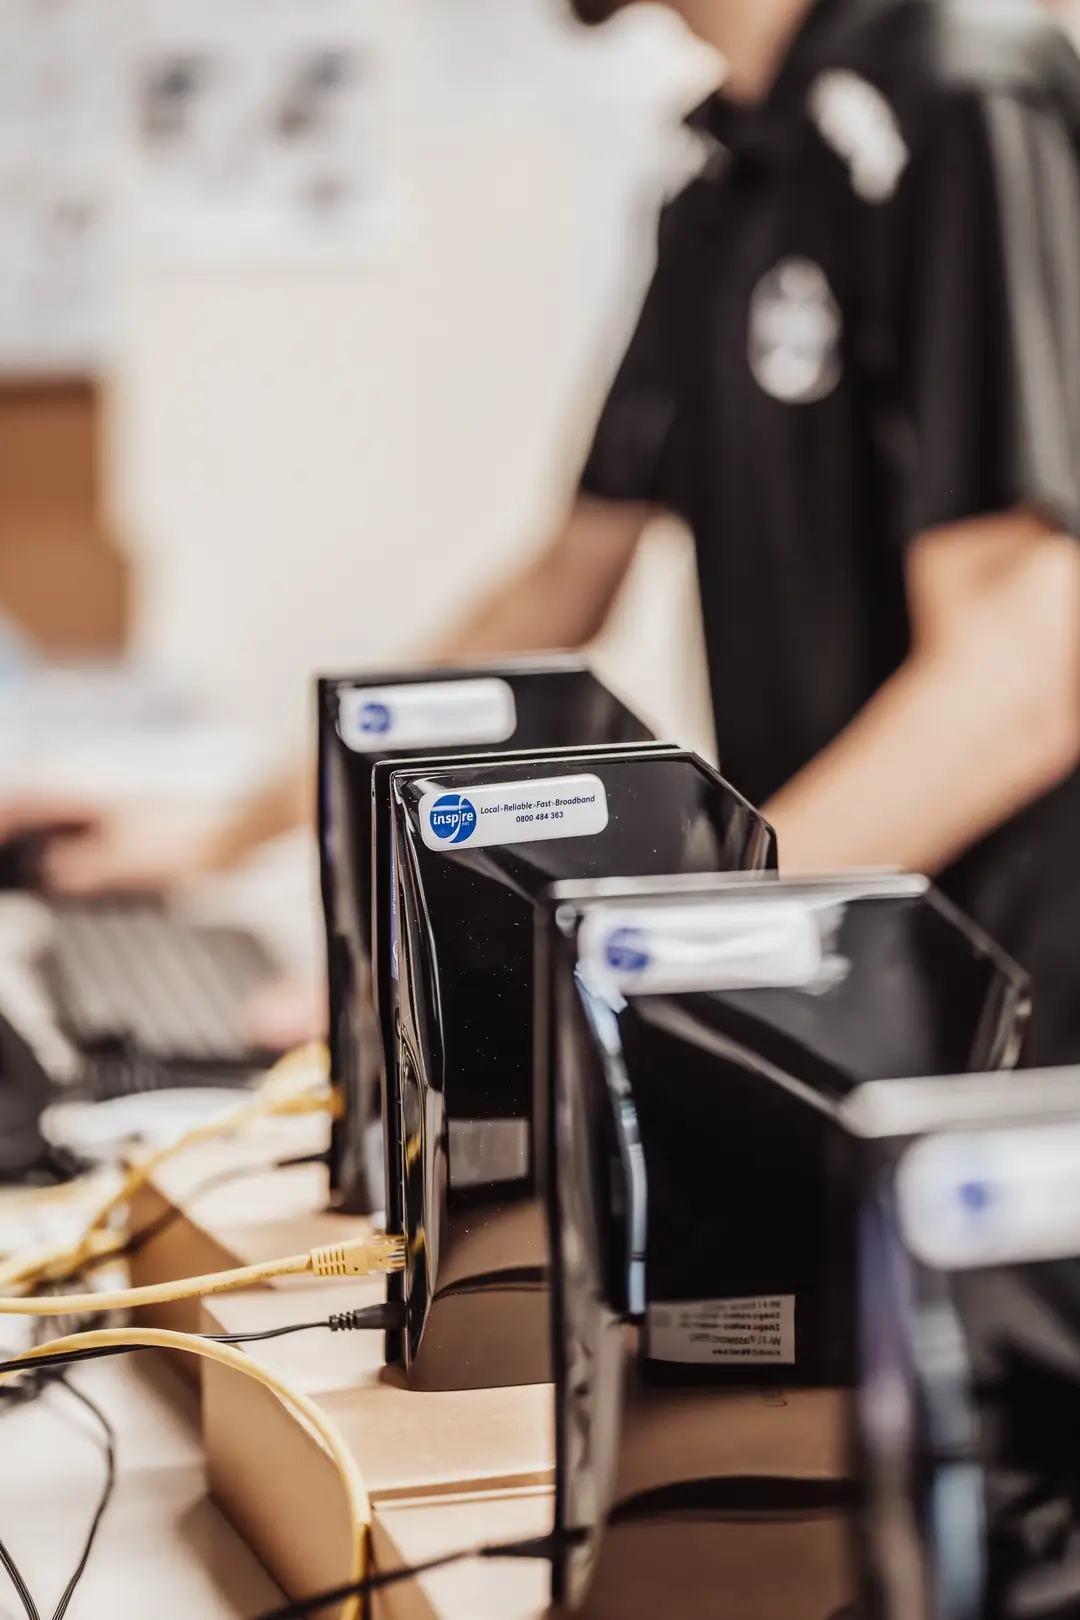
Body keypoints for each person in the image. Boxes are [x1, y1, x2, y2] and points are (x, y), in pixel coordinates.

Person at [6, 0, 1080, 1064]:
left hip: (1008, 1046)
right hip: (855, 993)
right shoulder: (729, 170)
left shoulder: (959, 80)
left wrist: (623, 965)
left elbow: (1026, 670)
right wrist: (218, 836)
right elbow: (558, 591)